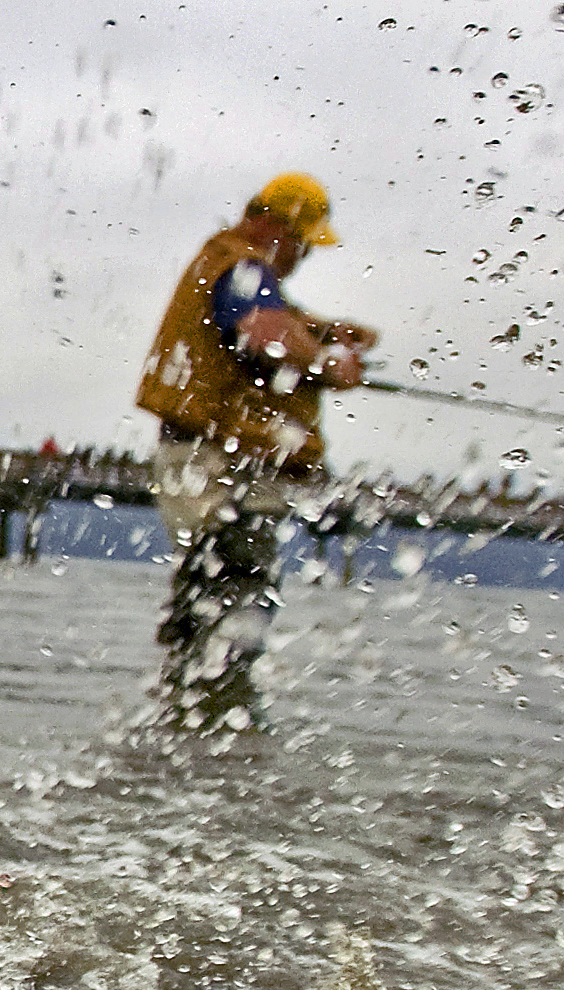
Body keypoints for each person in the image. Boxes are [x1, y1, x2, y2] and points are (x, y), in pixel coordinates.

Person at [136, 172, 377, 728]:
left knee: (217, 592)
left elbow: (265, 322)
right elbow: (265, 331)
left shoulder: (234, 268)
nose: (302, 257)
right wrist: (325, 361)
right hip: (215, 464)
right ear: (276, 224)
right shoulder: (238, 262)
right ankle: (218, 722)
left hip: (215, 460)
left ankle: (188, 721)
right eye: (302, 243)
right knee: (235, 585)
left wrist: (327, 330)